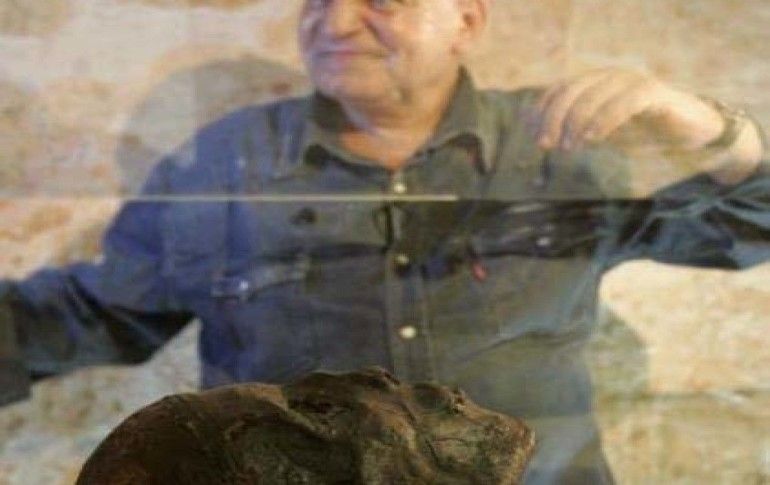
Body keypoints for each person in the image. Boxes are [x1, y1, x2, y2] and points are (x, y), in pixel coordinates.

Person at [1, 0, 768, 483]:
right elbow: (93, 311)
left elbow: (749, 228)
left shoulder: (563, 146)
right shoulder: (223, 162)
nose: (334, 24)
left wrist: (714, 132)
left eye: (380, 1)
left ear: (467, 19)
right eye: (318, 1)